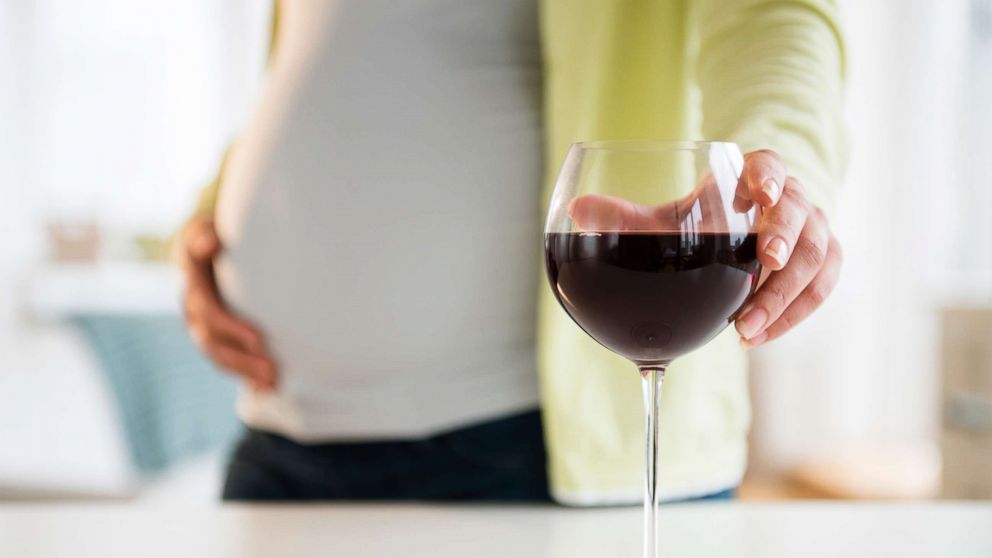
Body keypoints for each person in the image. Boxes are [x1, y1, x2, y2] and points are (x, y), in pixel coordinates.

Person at [177, 0, 845, 502]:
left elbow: (774, 16)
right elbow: (317, 65)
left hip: (524, 456)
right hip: (280, 441)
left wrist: (777, 165)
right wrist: (215, 222)